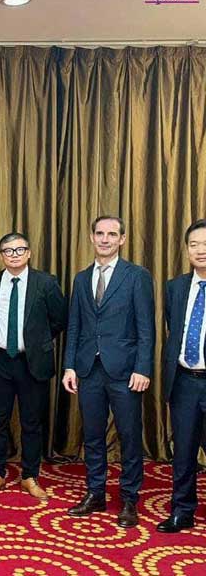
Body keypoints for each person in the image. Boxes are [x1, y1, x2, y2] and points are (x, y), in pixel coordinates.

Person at [62, 215, 154, 529]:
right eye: (100, 233)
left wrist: (143, 367)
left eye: (112, 234)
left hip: (125, 371)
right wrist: (70, 365)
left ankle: (129, 498)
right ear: (92, 237)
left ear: (122, 239)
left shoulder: (136, 276)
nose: (105, 239)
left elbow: (146, 328)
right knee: (92, 435)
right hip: (89, 369)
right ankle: (96, 492)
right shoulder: (81, 278)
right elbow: (75, 326)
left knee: (129, 436)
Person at [0, 232, 67, 502]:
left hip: (32, 362)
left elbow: (59, 319)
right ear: (1, 255)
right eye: (8, 251)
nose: (13, 255)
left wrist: (36, 342)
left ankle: (30, 475)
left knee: (31, 422)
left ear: (28, 253)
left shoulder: (46, 282)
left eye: (19, 250)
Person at [155, 218, 206, 533]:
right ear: (186, 250)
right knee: (183, 451)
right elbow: (174, 330)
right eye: (194, 244)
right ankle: (182, 510)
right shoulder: (175, 287)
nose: (200, 250)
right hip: (184, 380)